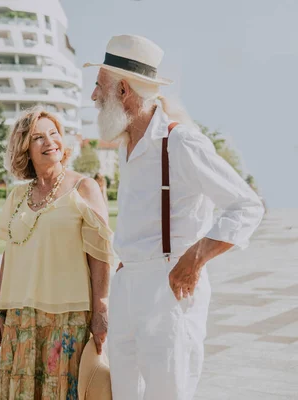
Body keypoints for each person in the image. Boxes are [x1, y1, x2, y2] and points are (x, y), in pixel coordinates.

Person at [84, 34, 265, 399]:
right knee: (125, 393)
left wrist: (196, 257)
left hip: (167, 289)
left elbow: (247, 205)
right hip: (129, 284)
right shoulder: (126, 144)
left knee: (170, 391)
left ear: (123, 90)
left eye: (98, 87)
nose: (92, 97)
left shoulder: (180, 142)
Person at [0, 106, 114, 399]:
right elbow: (11, 254)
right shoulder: (17, 196)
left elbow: (100, 255)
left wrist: (101, 311)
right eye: (38, 137)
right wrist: (0, 310)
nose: (50, 142)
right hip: (22, 318)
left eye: (54, 133)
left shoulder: (83, 188)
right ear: (24, 149)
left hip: (68, 318)